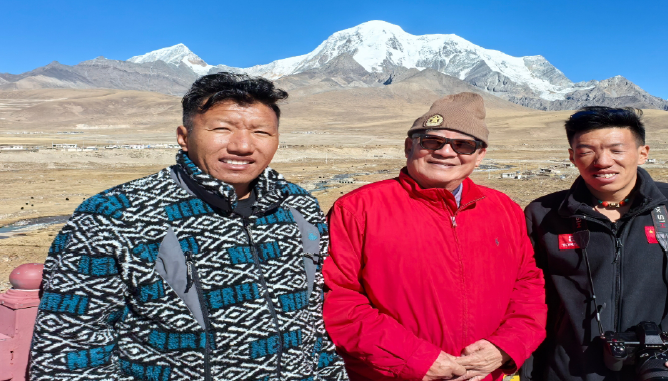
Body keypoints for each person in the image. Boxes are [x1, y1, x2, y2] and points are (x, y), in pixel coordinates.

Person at [29, 73, 348, 381]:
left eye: (261, 132)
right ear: (184, 137)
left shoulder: (298, 207)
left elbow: (315, 327)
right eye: (222, 129)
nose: (242, 146)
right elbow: (67, 353)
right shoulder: (115, 215)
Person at [322, 92, 547, 381]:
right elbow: (338, 300)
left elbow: (527, 285)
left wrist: (505, 347)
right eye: (432, 141)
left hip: (483, 375)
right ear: (409, 146)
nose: (446, 152)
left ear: (480, 155)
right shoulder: (357, 209)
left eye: (463, 145)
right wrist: (414, 358)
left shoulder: (504, 210)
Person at [523, 106, 668, 381]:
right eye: (586, 151)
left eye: (616, 150)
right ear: (572, 157)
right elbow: (526, 296)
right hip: (569, 372)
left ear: (643, 153)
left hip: (666, 369)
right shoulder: (543, 214)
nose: (603, 161)